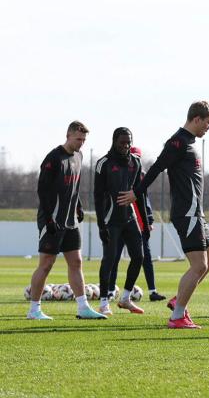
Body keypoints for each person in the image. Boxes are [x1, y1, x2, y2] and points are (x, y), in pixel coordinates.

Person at [136, 101, 209, 329]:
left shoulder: (190, 142)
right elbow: (156, 167)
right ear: (196, 119)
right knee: (199, 265)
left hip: (196, 214)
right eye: (207, 123)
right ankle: (177, 316)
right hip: (187, 213)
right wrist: (137, 193)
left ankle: (177, 300)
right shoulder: (178, 142)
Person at [27, 121, 107, 320]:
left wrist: (78, 205)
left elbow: (74, 186)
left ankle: (83, 308)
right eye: (78, 139)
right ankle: (34, 310)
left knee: (76, 261)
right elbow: (42, 190)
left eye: (83, 140)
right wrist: (48, 219)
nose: (81, 143)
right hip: (53, 219)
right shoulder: (53, 158)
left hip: (71, 220)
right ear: (68, 135)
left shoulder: (79, 156)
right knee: (46, 263)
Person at [94, 127, 146, 316]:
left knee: (139, 257)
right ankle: (103, 302)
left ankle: (125, 298)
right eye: (122, 142)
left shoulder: (136, 162)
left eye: (128, 142)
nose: (126, 145)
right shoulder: (104, 163)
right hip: (111, 220)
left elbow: (140, 193)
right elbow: (98, 196)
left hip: (129, 218)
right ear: (115, 141)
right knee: (109, 260)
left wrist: (146, 223)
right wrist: (101, 224)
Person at [108, 147, 167, 302]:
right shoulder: (118, 175)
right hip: (121, 222)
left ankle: (153, 291)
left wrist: (149, 221)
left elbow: (144, 201)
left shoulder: (141, 177)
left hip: (139, 224)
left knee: (144, 257)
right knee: (114, 257)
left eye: (138, 157)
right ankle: (109, 290)